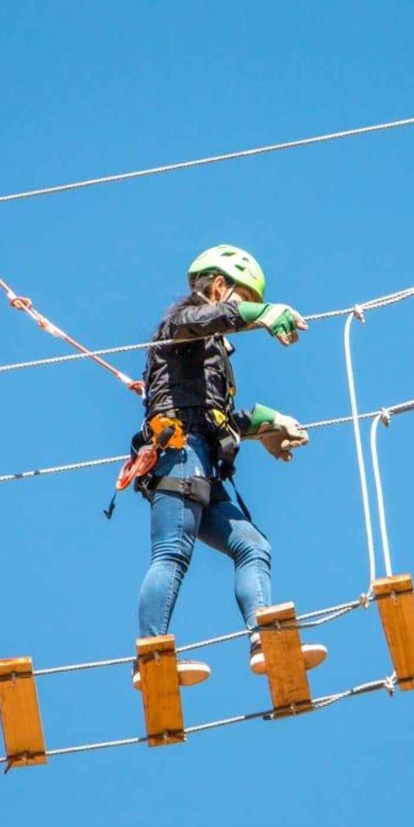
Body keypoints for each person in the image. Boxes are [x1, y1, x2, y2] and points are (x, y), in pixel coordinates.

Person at [128, 244, 328, 688]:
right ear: (219, 287)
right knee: (172, 552)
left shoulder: (210, 353)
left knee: (253, 546)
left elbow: (213, 416)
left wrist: (265, 424)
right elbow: (209, 320)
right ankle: (151, 656)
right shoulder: (181, 322)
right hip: (178, 456)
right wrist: (263, 313)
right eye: (240, 298)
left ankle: (265, 640)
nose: (244, 311)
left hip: (204, 464)